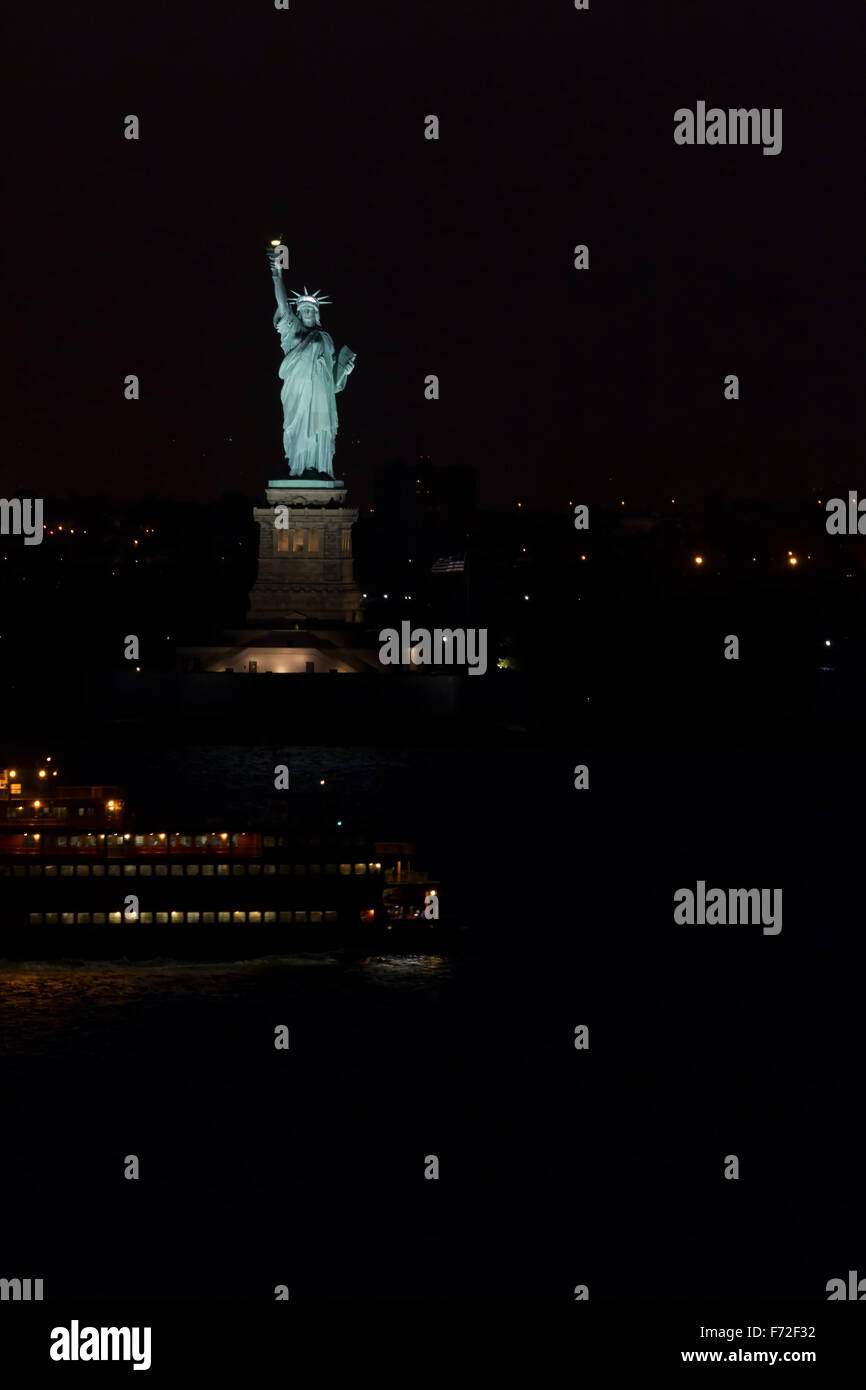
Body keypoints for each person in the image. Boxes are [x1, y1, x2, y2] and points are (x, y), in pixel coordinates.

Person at [267, 251, 356, 478]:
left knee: (319, 428)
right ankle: (298, 467)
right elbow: (282, 305)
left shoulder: (326, 339)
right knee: (299, 428)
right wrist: (277, 274)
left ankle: (319, 468)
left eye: (311, 309)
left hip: (320, 394)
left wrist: (343, 371)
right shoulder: (293, 331)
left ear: (316, 314)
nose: (307, 312)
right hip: (297, 392)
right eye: (303, 309)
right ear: (298, 313)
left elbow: (333, 379)